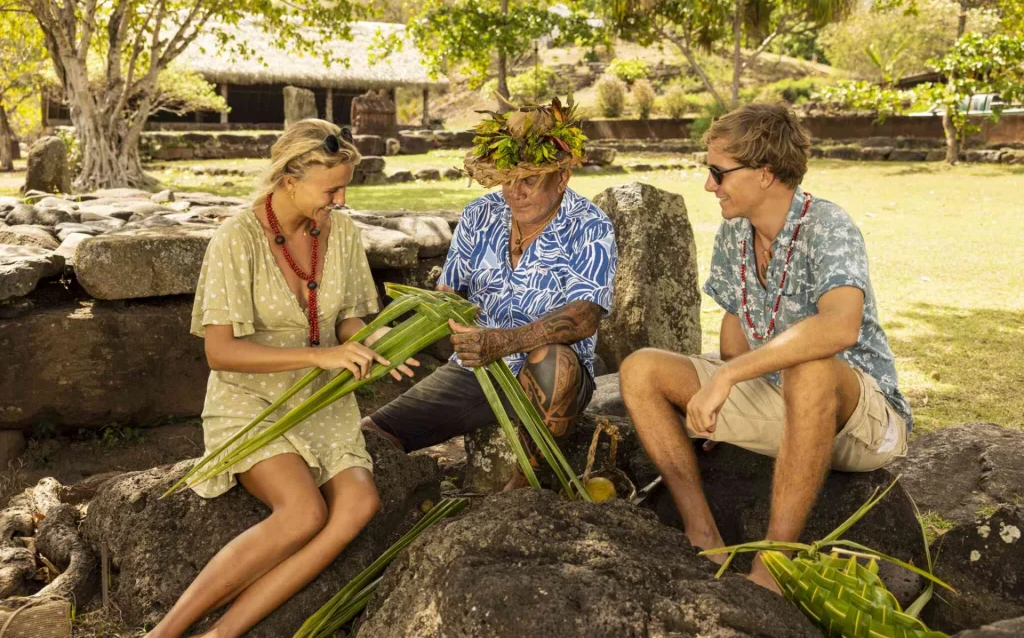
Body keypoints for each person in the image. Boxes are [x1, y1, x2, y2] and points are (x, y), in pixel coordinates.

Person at [619, 103, 910, 593]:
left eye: (718, 172)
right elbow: (735, 333)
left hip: (860, 423)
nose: (709, 185)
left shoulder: (828, 227)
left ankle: (774, 562)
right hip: (781, 408)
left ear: (766, 174)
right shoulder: (736, 233)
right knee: (640, 369)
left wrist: (728, 381)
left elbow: (840, 327)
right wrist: (723, 404)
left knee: (810, 368)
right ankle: (702, 534)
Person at [147, 120, 418, 638]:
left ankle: (219, 635)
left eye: (344, 189)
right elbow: (220, 352)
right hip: (251, 401)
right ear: (289, 179)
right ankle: (163, 634)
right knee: (302, 514)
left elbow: (350, 321)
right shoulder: (236, 238)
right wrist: (320, 356)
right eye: (331, 189)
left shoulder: (343, 234)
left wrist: (377, 346)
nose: (339, 201)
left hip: (321, 403)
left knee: (361, 504)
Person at [362, 96, 617, 486]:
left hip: (549, 372)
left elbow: (584, 315)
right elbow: (450, 292)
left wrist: (507, 341)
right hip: (476, 367)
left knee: (555, 363)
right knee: (371, 435)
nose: (515, 191)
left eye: (530, 178)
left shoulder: (590, 226)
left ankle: (523, 490)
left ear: (562, 177)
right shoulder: (479, 215)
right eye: (507, 178)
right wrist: (437, 320)